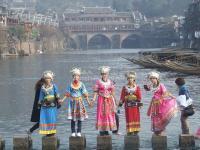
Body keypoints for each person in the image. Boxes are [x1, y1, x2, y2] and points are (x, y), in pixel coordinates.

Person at [61, 68, 92, 137]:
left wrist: (89, 102)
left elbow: (85, 94)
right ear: (73, 77)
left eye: (77, 76)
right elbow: (67, 94)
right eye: (74, 76)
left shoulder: (81, 84)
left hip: (80, 103)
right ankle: (73, 131)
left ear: (79, 77)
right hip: (72, 103)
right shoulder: (70, 85)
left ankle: (79, 131)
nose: (76, 77)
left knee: (80, 118)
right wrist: (62, 100)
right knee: (73, 118)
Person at [145, 71, 177, 135]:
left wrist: (172, 97)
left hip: (160, 103)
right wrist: (146, 88)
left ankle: (161, 130)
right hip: (154, 103)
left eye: (153, 78)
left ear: (156, 78)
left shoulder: (161, 85)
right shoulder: (152, 85)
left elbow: (166, 93)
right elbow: (148, 89)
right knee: (154, 116)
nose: (151, 80)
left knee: (161, 116)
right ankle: (156, 130)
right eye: (151, 78)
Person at [91, 66, 117, 136]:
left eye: (105, 74)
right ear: (101, 74)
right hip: (101, 100)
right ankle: (102, 129)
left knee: (108, 114)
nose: (104, 75)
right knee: (101, 114)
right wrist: (93, 99)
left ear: (108, 74)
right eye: (103, 74)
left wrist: (116, 100)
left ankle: (107, 129)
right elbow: (96, 91)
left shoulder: (110, 82)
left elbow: (112, 92)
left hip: (109, 100)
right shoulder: (98, 82)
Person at [38, 70, 60, 136]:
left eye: (49, 78)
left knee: (52, 118)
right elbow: (41, 96)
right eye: (46, 78)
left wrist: (58, 101)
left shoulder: (54, 86)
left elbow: (57, 94)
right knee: (45, 118)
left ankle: (52, 131)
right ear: (44, 79)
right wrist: (39, 104)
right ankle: (47, 132)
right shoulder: (42, 88)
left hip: (52, 105)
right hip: (44, 106)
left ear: (51, 79)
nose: (47, 79)